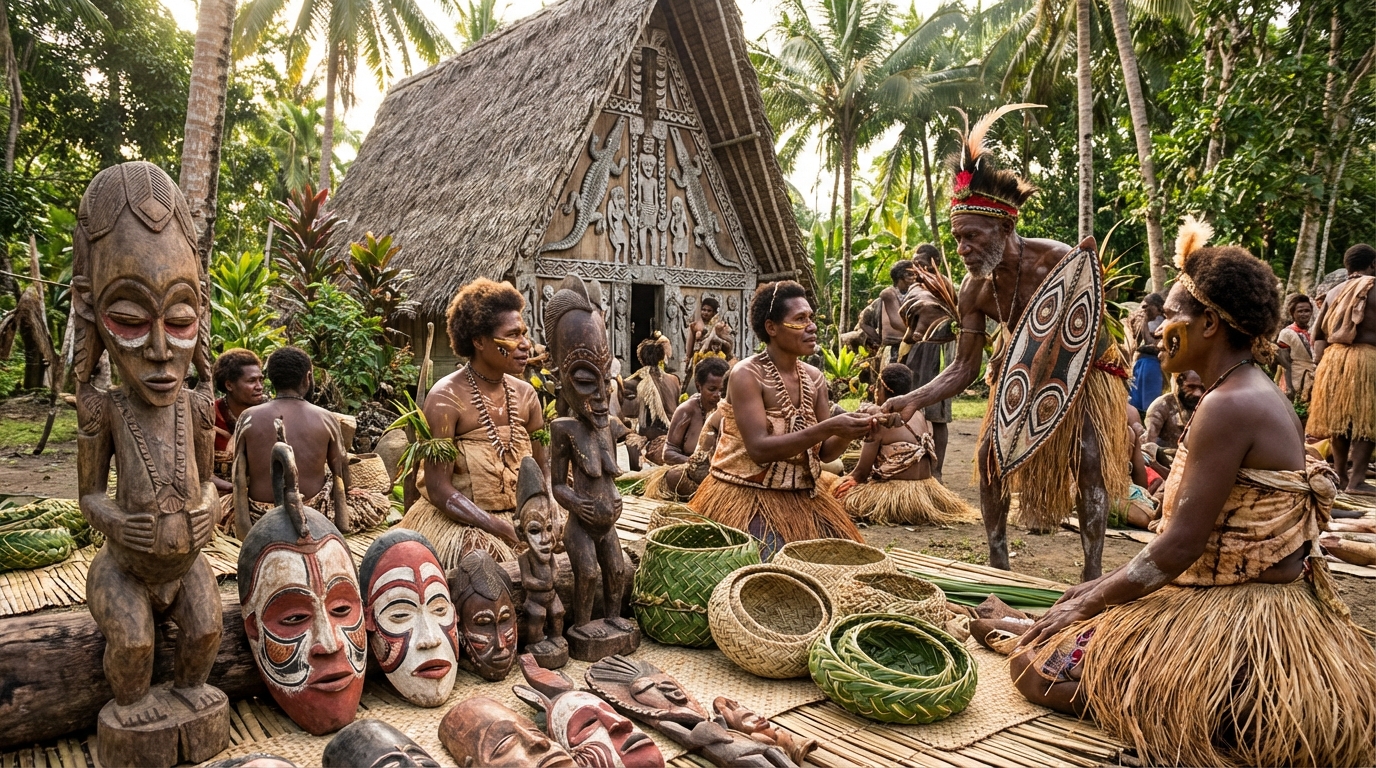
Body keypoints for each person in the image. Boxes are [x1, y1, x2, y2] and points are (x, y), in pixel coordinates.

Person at [998, 221, 1376, 767]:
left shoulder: (1229, 405)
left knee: (1036, 669)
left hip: (1240, 619)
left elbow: (1179, 546)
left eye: (1171, 314)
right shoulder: (1242, 390)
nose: (1156, 328)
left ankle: (1204, 711)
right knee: (1052, 633)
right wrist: (1091, 591)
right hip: (1241, 602)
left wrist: (1087, 602)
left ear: (1210, 324)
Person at [883, 106, 1132, 581]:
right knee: (988, 458)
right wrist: (913, 398)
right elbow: (964, 368)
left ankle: (1092, 574)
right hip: (1018, 372)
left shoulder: (1058, 262)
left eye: (971, 237)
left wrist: (1087, 277)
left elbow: (1088, 328)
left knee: (1088, 458)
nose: (962, 249)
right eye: (957, 239)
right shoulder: (974, 290)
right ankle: (999, 566)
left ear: (1004, 228)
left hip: (1087, 371)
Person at [688, 280, 875, 555]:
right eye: (800, 319)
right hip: (747, 495)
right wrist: (829, 427)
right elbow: (759, 449)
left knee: (846, 561)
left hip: (803, 496)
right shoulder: (746, 374)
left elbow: (825, 453)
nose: (811, 326)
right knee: (771, 561)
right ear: (771, 328)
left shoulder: (814, 378)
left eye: (810, 318)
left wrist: (853, 430)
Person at [398, 278, 546, 567]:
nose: (525, 345)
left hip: (525, 517)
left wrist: (546, 510)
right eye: (512, 335)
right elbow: (438, 487)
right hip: (464, 521)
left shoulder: (527, 395)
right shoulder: (446, 398)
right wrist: (501, 529)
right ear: (479, 341)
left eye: (524, 334)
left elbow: (543, 469)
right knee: (483, 565)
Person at [224, 346, 390, 536]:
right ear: (307, 377)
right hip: (315, 514)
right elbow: (341, 472)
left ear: (271, 379)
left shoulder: (248, 417)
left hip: (260, 517)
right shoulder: (326, 418)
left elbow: (238, 475)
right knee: (377, 501)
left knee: (221, 506)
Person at [834, 364, 974, 526]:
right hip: (926, 494)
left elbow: (861, 473)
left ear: (882, 389)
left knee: (837, 495)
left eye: (877, 387)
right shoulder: (919, 415)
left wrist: (841, 483)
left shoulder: (880, 421)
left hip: (895, 497)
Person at [1310, 243, 1376, 494]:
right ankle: (1357, 480)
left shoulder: (1333, 292)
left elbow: (1317, 335)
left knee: (1340, 421)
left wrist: (1321, 366)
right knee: (1367, 419)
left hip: (1333, 359)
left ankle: (1340, 476)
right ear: (1373, 264)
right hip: (1366, 358)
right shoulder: (1374, 287)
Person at [899, 243, 956, 477]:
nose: (917, 268)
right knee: (912, 409)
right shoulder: (915, 289)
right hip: (917, 352)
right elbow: (909, 323)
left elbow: (954, 316)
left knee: (938, 416)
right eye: (914, 264)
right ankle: (913, 466)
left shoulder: (945, 286)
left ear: (936, 263)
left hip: (938, 353)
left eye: (921, 263)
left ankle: (937, 472)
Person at [645, 362, 730, 503]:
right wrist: (694, 464)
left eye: (722, 391)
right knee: (674, 477)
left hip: (721, 475)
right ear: (698, 386)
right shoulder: (687, 410)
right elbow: (668, 453)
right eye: (712, 389)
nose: (717, 395)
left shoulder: (730, 410)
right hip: (691, 474)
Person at [622, 333, 681, 470]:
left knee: (631, 441)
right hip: (674, 434)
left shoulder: (636, 381)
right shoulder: (674, 379)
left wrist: (617, 382)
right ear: (661, 357)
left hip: (651, 438)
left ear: (640, 358)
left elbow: (624, 403)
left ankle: (637, 464)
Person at [210, 349, 265, 495]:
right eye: (251, 381)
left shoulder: (268, 414)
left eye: (260, 380)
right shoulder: (208, 416)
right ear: (229, 385)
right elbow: (197, 470)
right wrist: (233, 488)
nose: (259, 387)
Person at [1142, 370, 1203, 469]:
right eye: (1190, 387)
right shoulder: (1162, 406)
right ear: (1178, 384)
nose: (1197, 393)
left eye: (1200, 387)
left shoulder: (1204, 405)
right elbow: (1146, 446)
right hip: (1167, 466)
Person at [1127, 293, 1166, 417]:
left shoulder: (1162, 321)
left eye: (1147, 306)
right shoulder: (1143, 320)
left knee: (1151, 407)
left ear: (1158, 307)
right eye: (1143, 306)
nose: (1144, 309)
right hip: (1140, 365)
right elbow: (1134, 345)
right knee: (1135, 405)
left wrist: (1144, 322)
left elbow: (1152, 344)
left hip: (1153, 366)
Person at [1275, 293, 1316, 403]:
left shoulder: (1313, 331)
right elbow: (1285, 363)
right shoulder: (1286, 333)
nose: (1304, 314)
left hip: (1313, 380)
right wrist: (1289, 388)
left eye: (1307, 311)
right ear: (1292, 313)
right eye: (1300, 311)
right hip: (1296, 380)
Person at [686, 296, 733, 380]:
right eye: (703, 310)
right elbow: (689, 348)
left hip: (717, 361)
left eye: (709, 311)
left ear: (714, 312)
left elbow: (729, 345)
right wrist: (688, 359)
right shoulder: (694, 326)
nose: (705, 313)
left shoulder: (721, 326)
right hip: (699, 360)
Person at [877, 259, 917, 354]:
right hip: (897, 345)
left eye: (914, 274)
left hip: (913, 341)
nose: (914, 277)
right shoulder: (889, 293)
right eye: (910, 274)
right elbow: (896, 322)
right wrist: (919, 334)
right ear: (900, 276)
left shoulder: (914, 291)